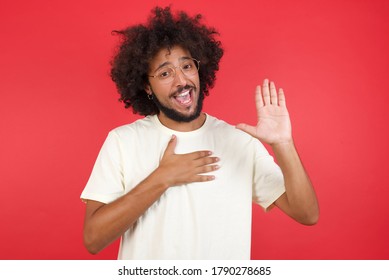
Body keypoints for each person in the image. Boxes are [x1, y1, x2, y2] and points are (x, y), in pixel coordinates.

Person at [80, 6, 319, 260]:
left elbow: (307, 214)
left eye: (186, 66)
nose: (181, 81)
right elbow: (93, 239)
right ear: (146, 87)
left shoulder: (238, 142)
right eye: (165, 73)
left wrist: (284, 144)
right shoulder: (123, 141)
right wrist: (163, 178)